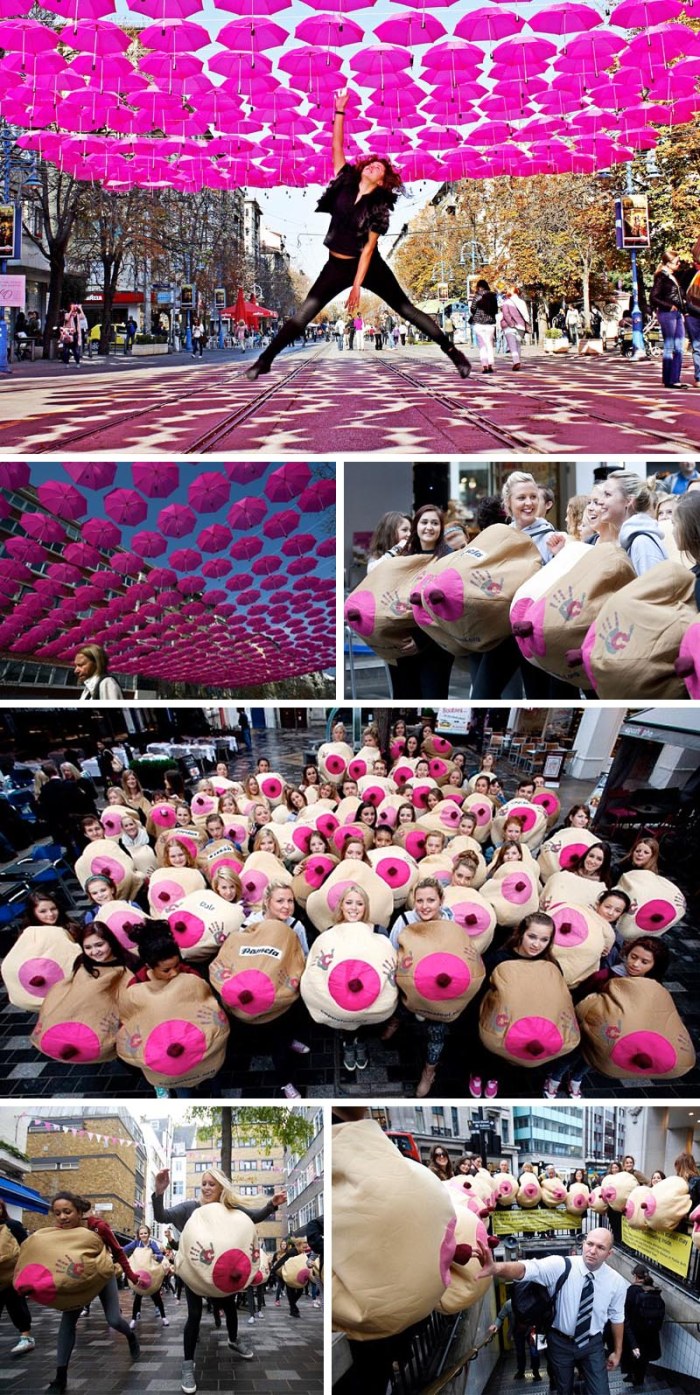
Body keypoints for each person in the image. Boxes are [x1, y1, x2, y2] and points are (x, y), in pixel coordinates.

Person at [245, 89, 471, 382]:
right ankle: (264, 360)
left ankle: (452, 351)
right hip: (335, 265)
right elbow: (336, 147)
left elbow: (368, 250)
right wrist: (339, 111)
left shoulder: (379, 207)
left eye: (381, 169)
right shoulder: (344, 183)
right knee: (302, 315)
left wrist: (356, 287)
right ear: (364, 168)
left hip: (369, 265)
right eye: (373, 163)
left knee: (406, 309)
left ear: (382, 181)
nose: (376, 166)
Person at [152, 1165, 286, 1395]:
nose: (206, 1188)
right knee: (194, 1315)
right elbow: (161, 1216)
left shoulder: (230, 1209)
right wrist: (159, 1192)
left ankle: (233, 1340)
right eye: (203, 1183)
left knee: (230, 1308)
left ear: (221, 1187)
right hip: (195, 1274)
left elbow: (254, 1217)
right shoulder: (190, 1208)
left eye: (211, 1184)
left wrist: (272, 1204)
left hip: (222, 1275)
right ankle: (187, 1365)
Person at [479, 1228, 627, 1395]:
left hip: (592, 1344)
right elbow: (525, 1269)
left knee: (601, 1391)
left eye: (600, 1247)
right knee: (563, 1390)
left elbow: (617, 1318)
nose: (592, 1251)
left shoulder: (616, 1282)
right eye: (590, 1244)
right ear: (583, 1243)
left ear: (609, 1253)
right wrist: (496, 1268)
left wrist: (618, 1352)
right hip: (559, 1342)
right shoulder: (561, 1265)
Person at [43, 1190, 143, 1393]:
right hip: (76, 1279)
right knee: (67, 1322)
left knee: (114, 1320)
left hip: (102, 1276)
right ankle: (60, 1377)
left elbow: (118, 1252)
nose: (62, 1217)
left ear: (79, 1212)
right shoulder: (57, 1233)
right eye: (57, 1213)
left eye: (67, 1212)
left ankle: (130, 1336)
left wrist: (131, 1276)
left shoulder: (98, 1227)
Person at [385, 504, 455, 701]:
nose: (429, 527)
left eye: (435, 523)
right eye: (424, 522)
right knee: (404, 698)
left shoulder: (449, 558)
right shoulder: (404, 558)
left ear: (441, 527)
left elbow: (450, 605)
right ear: (416, 526)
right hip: (404, 644)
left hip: (436, 645)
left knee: (433, 697)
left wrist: (422, 640)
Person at [598, 473, 668, 575]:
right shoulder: (629, 540)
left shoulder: (642, 543)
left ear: (629, 501)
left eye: (607, 495)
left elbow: (656, 584)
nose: (600, 501)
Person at [0, 1198, 34, 1357]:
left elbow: (27, 1247)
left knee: (16, 1306)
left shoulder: (12, 1226)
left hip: (13, 1276)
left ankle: (26, 1337)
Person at [622, 1264, 665, 1387]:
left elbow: (626, 1311)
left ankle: (633, 1376)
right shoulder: (654, 1290)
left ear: (636, 1276)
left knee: (634, 1353)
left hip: (636, 1331)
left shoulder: (632, 1290)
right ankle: (639, 1379)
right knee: (644, 1357)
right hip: (651, 1332)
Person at [470, 278, 499, 373]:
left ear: (478, 287)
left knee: (482, 345)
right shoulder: (493, 296)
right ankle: (490, 364)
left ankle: (485, 365)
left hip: (479, 324)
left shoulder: (477, 296)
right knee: (489, 345)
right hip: (490, 324)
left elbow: (473, 309)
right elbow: (496, 310)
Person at [500, 286, 530, 371]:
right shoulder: (522, 302)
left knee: (512, 345)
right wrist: (525, 324)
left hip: (510, 326)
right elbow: (526, 315)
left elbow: (506, 314)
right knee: (518, 345)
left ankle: (516, 361)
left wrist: (511, 323)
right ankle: (518, 361)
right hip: (521, 326)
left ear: (510, 292)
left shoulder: (506, 302)